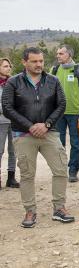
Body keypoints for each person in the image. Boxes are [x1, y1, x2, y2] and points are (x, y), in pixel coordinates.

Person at [2, 47, 75, 228]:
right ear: (24, 62)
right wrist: (30, 126)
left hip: (49, 133)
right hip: (23, 135)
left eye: (41, 61)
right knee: (27, 174)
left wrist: (47, 124)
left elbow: (61, 104)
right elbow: (7, 108)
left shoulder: (53, 81)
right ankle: (30, 211)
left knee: (60, 169)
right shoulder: (13, 82)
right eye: (34, 61)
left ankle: (59, 208)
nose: (39, 65)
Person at [51, 45, 79, 182]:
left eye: (61, 53)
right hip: (58, 114)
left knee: (76, 143)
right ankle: (61, 170)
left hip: (76, 115)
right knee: (58, 144)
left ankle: (73, 170)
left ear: (69, 54)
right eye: (57, 53)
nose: (58, 56)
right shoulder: (54, 70)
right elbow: (50, 93)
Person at [0, 58, 19, 189]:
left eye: (9, 66)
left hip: (14, 121)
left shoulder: (13, 83)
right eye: (5, 66)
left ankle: (11, 178)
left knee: (14, 150)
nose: (8, 68)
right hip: (1, 121)